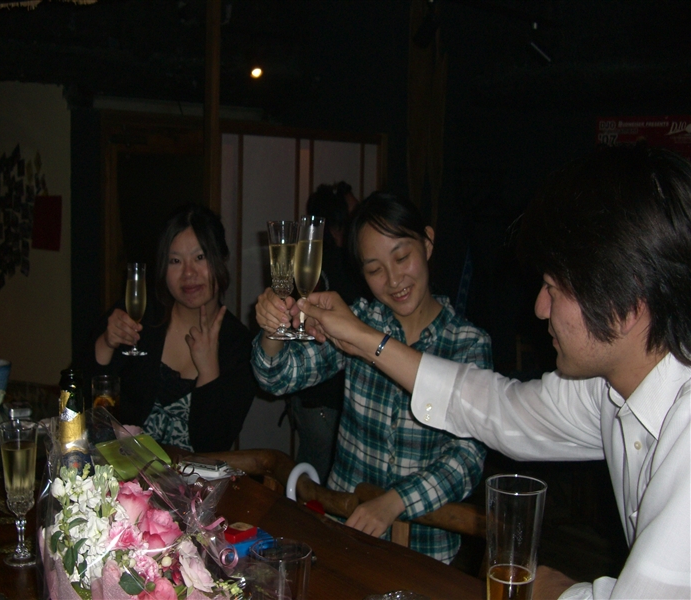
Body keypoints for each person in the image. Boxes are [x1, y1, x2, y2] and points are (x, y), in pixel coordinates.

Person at [296, 145, 691, 599]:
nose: (539, 308)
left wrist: (556, 590)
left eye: (553, 288)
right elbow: (496, 409)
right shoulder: (607, 391)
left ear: (628, 299)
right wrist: (365, 339)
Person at [252, 192, 492, 563]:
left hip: (425, 549)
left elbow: (468, 458)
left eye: (402, 257)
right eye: (375, 269)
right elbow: (277, 377)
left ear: (428, 242)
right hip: (345, 531)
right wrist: (273, 330)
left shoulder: (467, 343)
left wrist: (394, 501)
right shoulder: (360, 321)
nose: (394, 279)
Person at [84, 204, 256, 453]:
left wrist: (208, 371)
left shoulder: (239, 345)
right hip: (120, 470)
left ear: (222, 258)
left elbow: (214, 446)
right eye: (175, 261)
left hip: (194, 477)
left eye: (200, 257)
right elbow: (80, 396)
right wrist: (106, 343)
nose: (188, 273)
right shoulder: (138, 317)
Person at [287, 181, 365, 480]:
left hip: (307, 398)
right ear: (337, 223)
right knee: (317, 483)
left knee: (308, 472)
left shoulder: (318, 261)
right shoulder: (342, 266)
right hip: (326, 400)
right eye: (355, 213)